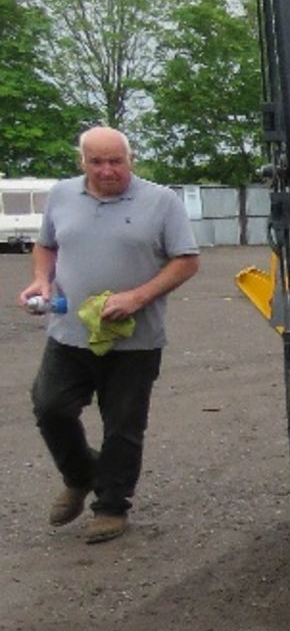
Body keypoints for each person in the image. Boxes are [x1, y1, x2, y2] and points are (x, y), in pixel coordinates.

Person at [17, 126, 200, 543]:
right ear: (82, 162)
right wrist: (40, 281)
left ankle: (112, 507)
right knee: (50, 407)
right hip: (69, 332)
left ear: (130, 159)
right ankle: (81, 475)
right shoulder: (62, 195)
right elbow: (46, 246)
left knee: (123, 426)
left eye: (116, 161)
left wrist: (138, 297)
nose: (106, 171)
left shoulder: (161, 201)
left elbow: (186, 261)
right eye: (96, 162)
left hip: (135, 340)